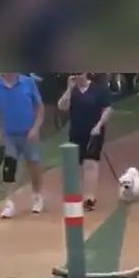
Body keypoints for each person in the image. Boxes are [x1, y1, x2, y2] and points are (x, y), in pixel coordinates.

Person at [0, 73, 46, 217]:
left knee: (33, 165)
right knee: (9, 168)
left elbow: (39, 107)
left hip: (28, 133)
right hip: (8, 135)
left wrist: (36, 128)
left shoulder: (28, 83)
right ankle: (9, 203)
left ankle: (37, 196)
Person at [57, 73, 112, 211]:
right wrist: (69, 89)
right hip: (76, 132)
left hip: (94, 132)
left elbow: (107, 109)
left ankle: (89, 197)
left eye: (80, 73)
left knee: (90, 163)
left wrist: (99, 125)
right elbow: (62, 106)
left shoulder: (99, 90)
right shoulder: (72, 91)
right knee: (75, 165)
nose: (78, 76)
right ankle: (74, 196)